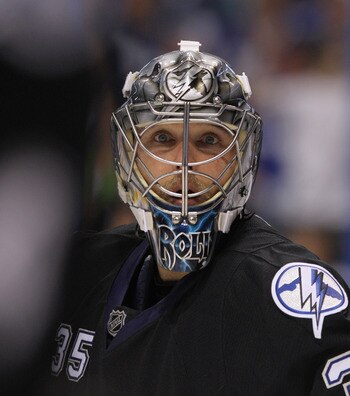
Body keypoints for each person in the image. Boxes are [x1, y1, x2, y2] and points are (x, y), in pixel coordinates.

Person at [49, 40, 350, 395]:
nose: (185, 162)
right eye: (162, 137)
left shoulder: (293, 296)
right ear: (129, 154)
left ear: (242, 156)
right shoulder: (74, 273)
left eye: (209, 140)